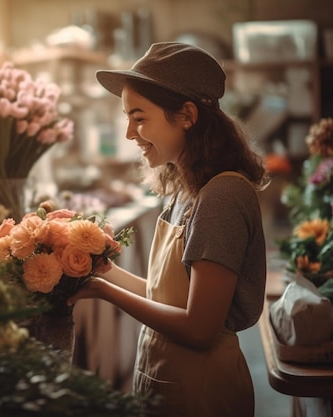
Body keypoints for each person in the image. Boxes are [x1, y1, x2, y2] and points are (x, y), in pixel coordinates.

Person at [67, 42, 269, 417]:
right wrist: (101, 269)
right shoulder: (184, 191)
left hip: (204, 394)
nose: (129, 133)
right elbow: (168, 299)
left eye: (139, 118)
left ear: (187, 115)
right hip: (170, 384)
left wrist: (102, 292)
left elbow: (199, 328)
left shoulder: (222, 196)